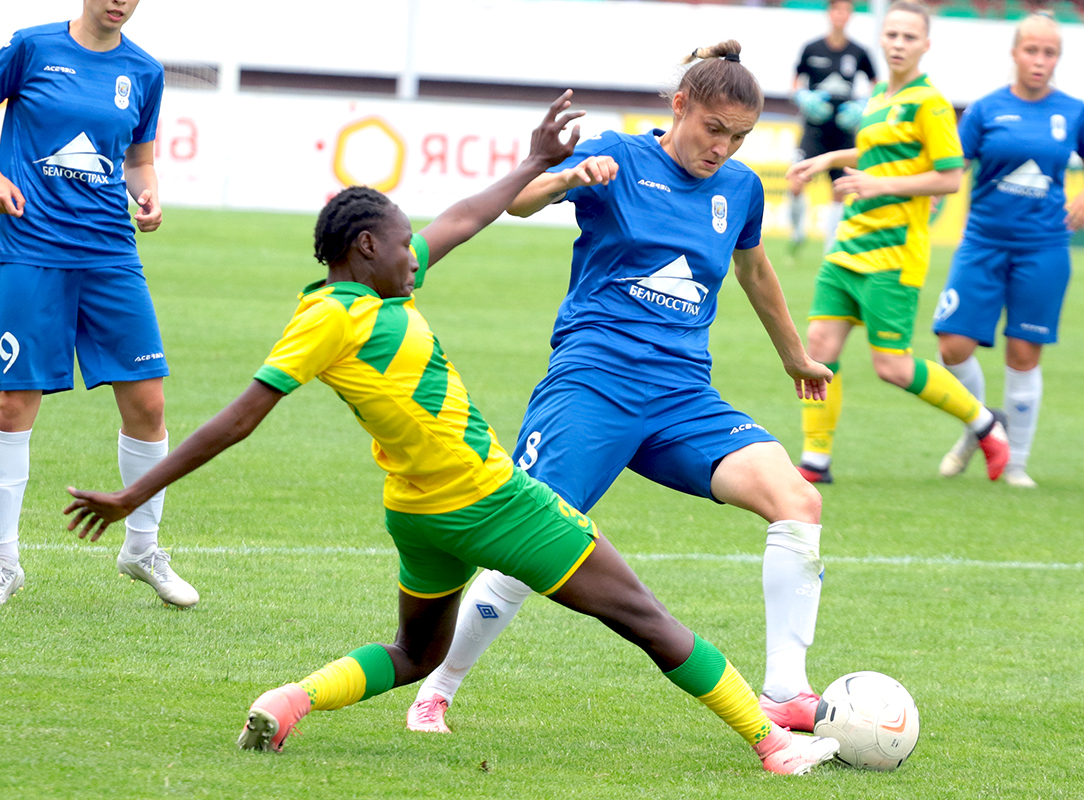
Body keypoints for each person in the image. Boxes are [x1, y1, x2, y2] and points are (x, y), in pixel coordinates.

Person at [62, 94, 840, 776]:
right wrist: (135, 494)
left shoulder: (347, 301)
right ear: (366, 248)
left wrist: (536, 160)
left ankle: (290, 699)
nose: (417, 254)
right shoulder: (340, 321)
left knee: (412, 654)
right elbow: (237, 419)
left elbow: (466, 217)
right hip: (490, 500)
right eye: (405, 243)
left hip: (416, 512)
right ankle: (774, 744)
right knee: (649, 621)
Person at [405, 41, 836, 737]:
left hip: (683, 397)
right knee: (533, 535)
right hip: (594, 381)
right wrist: (571, 176)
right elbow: (520, 202)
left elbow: (755, 271)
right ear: (680, 107)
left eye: (739, 137)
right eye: (714, 130)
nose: (723, 149)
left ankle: (786, 691)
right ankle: (438, 686)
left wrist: (796, 359)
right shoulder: (620, 156)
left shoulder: (740, 188)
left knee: (798, 499)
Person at [0, 0, 195, 607]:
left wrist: (149, 196)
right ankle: (4, 561)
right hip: (29, 247)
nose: (120, 2)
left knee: (148, 402)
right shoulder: (31, 47)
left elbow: (140, 161)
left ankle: (142, 549)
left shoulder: (144, 71)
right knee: (10, 405)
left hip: (110, 253)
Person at [787, 1, 1009, 486]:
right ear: (881, 39)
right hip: (849, 244)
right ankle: (815, 460)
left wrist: (879, 184)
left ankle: (985, 424)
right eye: (892, 35)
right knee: (818, 348)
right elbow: (874, 150)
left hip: (893, 252)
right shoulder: (880, 97)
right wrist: (826, 160)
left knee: (892, 366)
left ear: (925, 44)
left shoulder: (930, 103)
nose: (899, 44)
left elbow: (950, 177)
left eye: (909, 36)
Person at [931, 13, 1084, 488]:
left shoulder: (1073, 112)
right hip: (982, 243)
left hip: (1043, 248)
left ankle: (1016, 464)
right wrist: (929, 200)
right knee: (952, 346)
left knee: (1024, 354)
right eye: (1031, 50)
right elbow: (952, 167)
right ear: (1014, 53)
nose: (1039, 60)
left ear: (1058, 58)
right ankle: (982, 425)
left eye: (1049, 52)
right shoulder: (986, 110)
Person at [788, 0, 878, 253]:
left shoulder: (858, 52)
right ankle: (797, 231)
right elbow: (795, 81)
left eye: (846, 10)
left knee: (840, 189)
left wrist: (863, 105)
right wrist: (802, 97)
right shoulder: (812, 48)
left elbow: (876, 84)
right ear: (829, 13)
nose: (841, 15)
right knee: (796, 181)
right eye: (837, 10)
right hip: (814, 128)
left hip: (843, 130)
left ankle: (831, 247)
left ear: (850, 15)